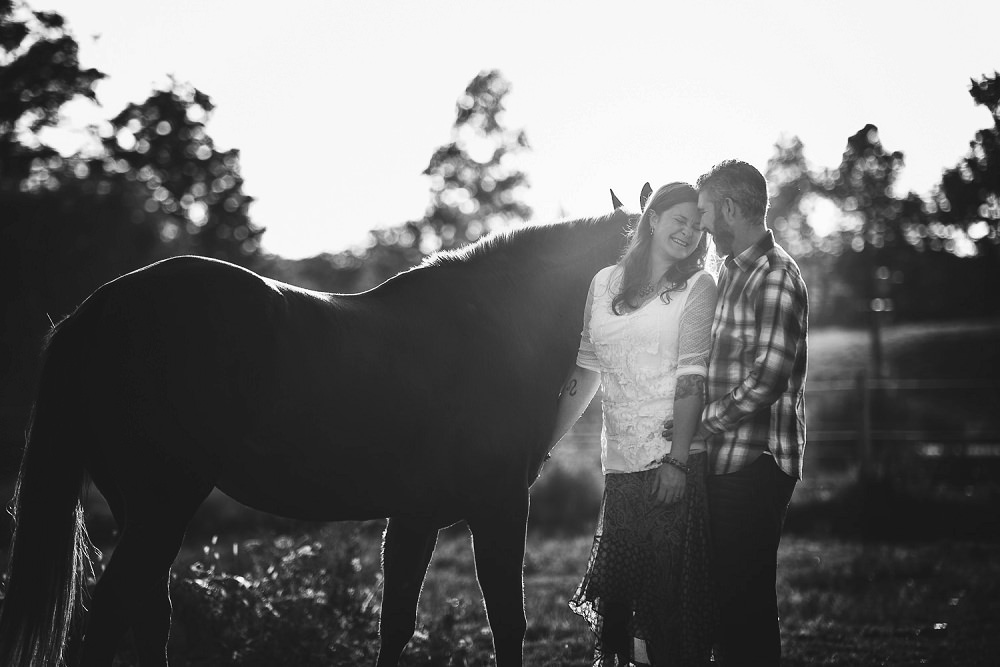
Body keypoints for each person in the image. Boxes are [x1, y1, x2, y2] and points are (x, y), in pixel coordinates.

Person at [548, 182, 719, 666]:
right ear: (653, 217)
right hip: (621, 466)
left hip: (671, 467)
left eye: (697, 226)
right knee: (622, 613)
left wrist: (678, 462)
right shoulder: (603, 283)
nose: (688, 233)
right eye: (679, 220)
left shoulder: (697, 287)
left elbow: (692, 379)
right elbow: (585, 369)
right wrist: (547, 443)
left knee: (665, 613)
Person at [665, 160, 809, 665]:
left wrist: (701, 424)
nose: (700, 224)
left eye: (704, 212)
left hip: (757, 462)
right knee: (725, 602)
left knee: (743, 604)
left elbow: (767, 378)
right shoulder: (727, 272)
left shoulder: (775, 276)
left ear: (729, 208)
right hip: (725, 460)